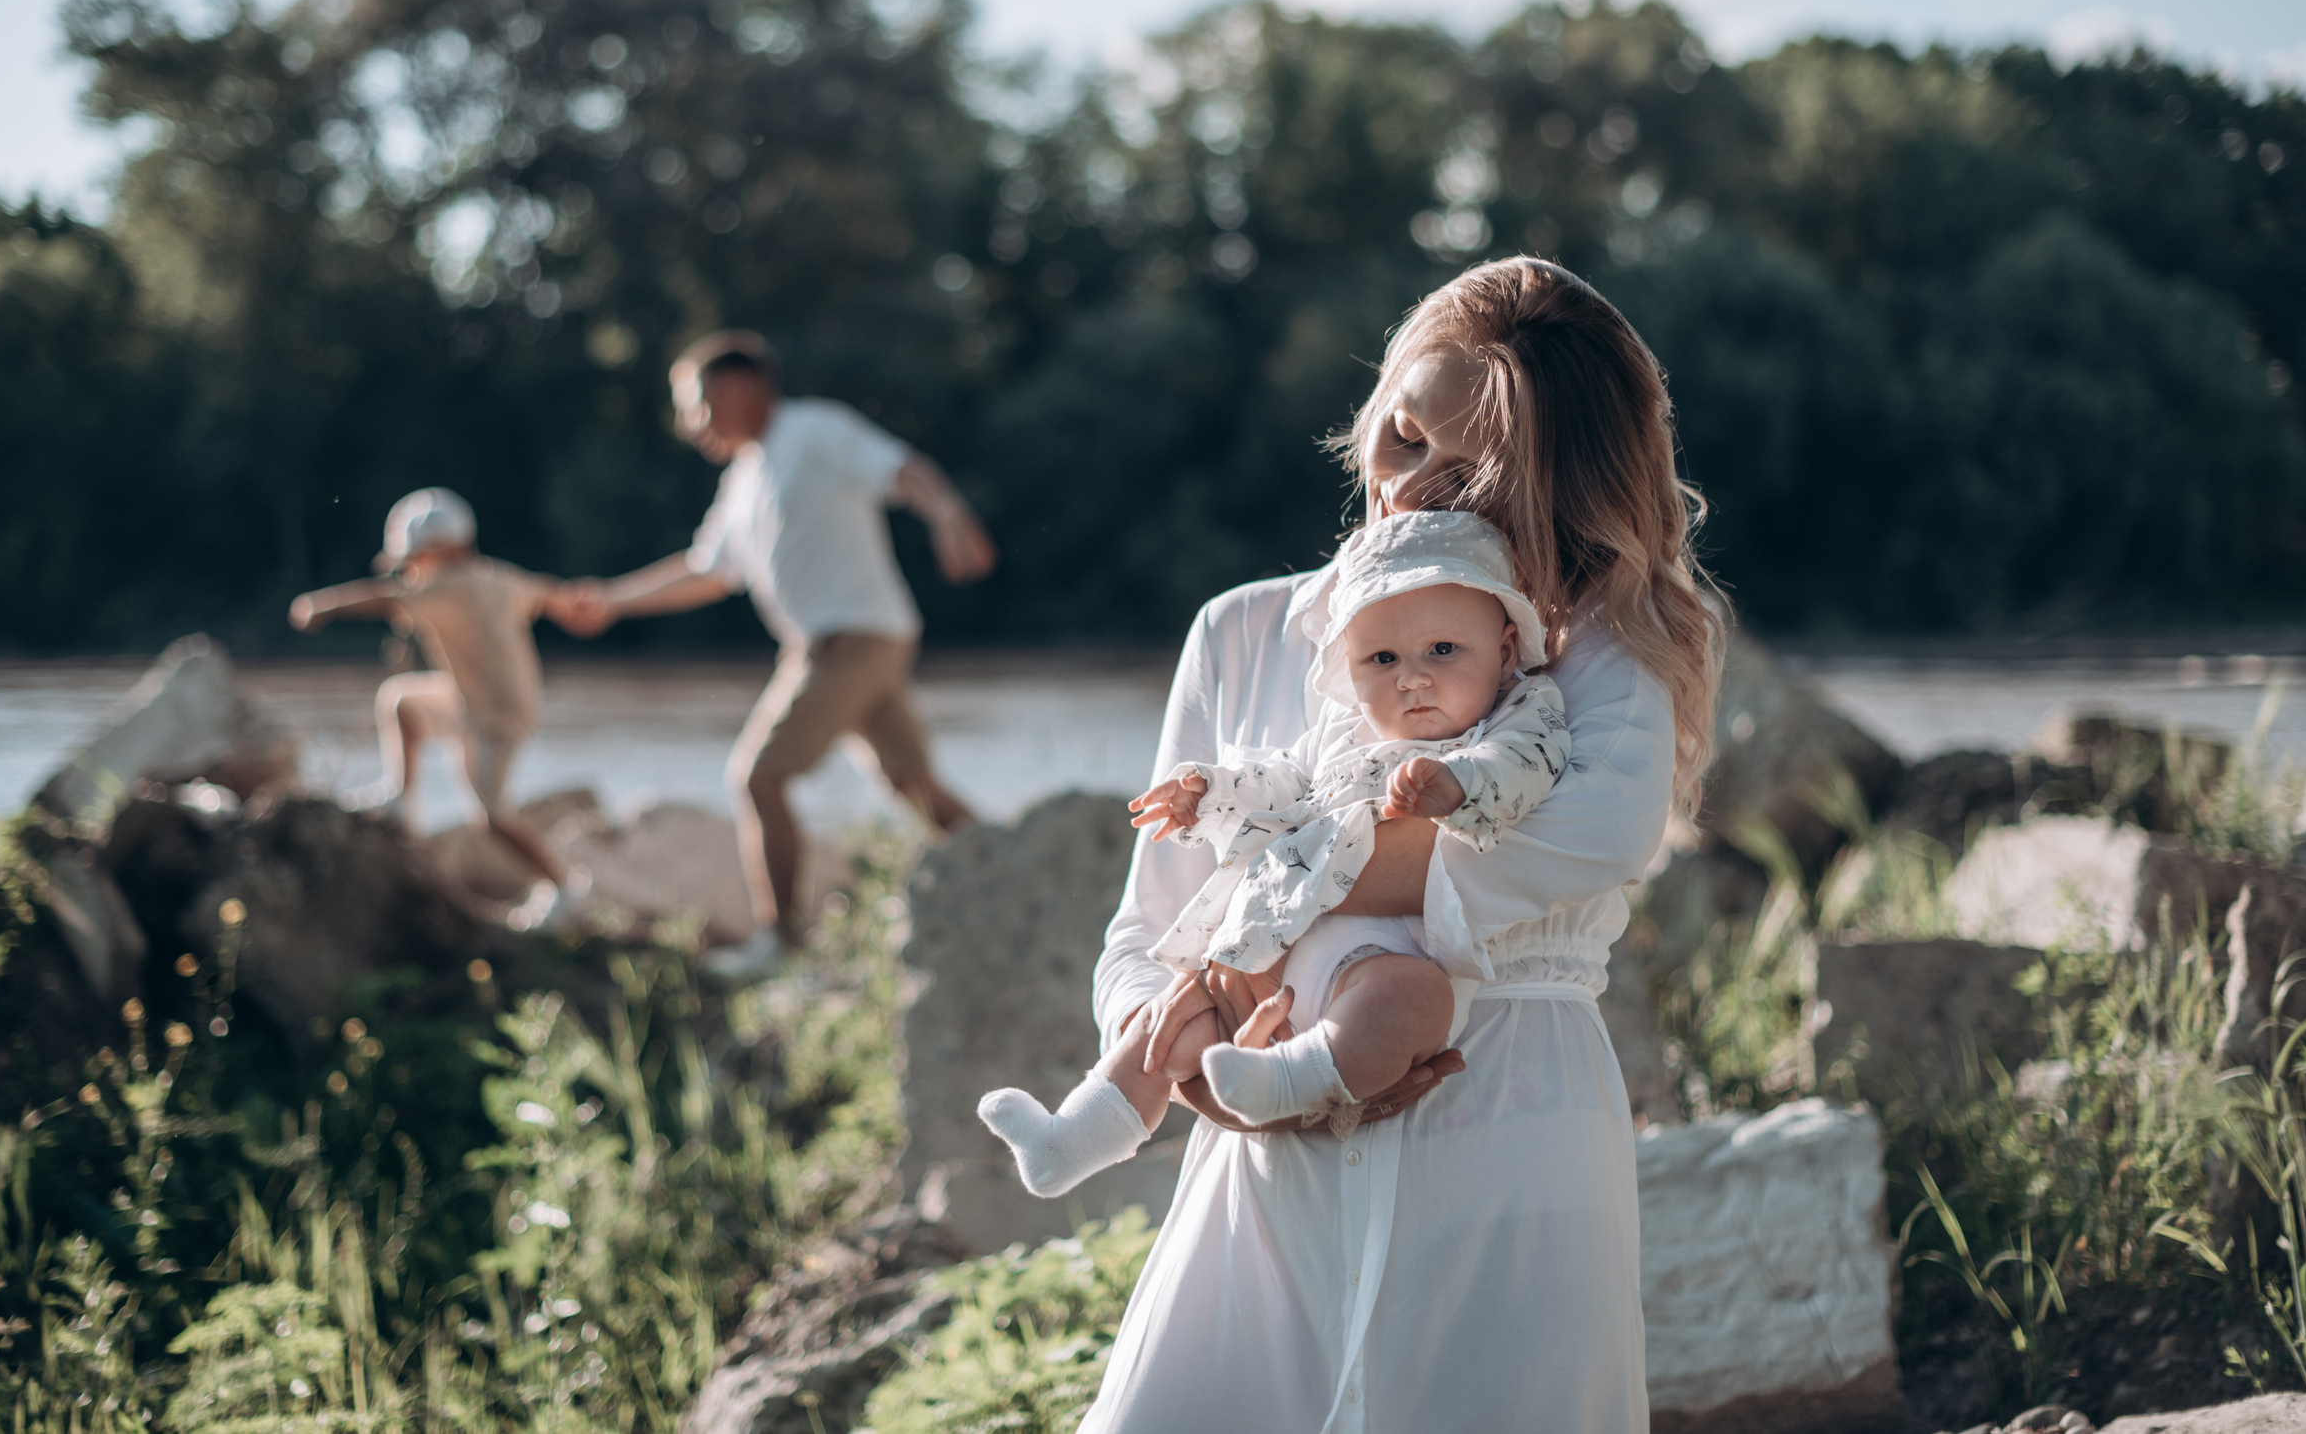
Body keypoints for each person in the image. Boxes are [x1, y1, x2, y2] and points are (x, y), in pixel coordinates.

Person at [1078, 257, 1724, 1433]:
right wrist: (1185, 1060)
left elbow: (1581, 845)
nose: (1411, 486)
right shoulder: (1242, 632)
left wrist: (1255, 902)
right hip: (1265, 1154)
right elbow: (1140, 930)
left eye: (1468, 466)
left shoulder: (1607, 657)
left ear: (1559, 481)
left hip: (1508, 1133)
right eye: (1399, 438)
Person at [977, 510, 1571, 1195]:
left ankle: (1288, 1080)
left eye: (1443, 650)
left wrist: (1458, 785)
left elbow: (1527, 765)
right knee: (1175, 1018)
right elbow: (1281, 776)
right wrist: (1210, 791)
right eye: (1383, 660)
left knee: (1413, 998)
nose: (1411, 678)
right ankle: (1071, 1138)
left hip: (1382, 955)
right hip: (1272, 942)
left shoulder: (1520, 710)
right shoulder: (1344, 729)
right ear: (1350, 671)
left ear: (1502, 647)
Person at [556, 330, 995, 976]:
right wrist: (614, 600)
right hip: (842, 639)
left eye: (696, 404)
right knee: (909, 782)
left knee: (758, 777)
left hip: (852, 639)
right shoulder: (745, 477)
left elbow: (901, 469)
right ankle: (1005, 860)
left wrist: (949, 511)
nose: (689, 424)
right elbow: (708, 569)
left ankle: (782, 942)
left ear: (740, 390)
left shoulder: (813, 431)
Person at [288, 487, 573, 925]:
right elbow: (543, 592)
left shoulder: (450, 586)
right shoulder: (495, 576)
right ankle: (400, 799)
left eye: (411, 560)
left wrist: (322, 606)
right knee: (402, 700)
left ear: (440, 550)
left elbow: (384, 598)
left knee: (492, 817)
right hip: (467, 700)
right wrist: (579, 603)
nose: (408, 571)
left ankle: (565, 888)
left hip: (497, 717)